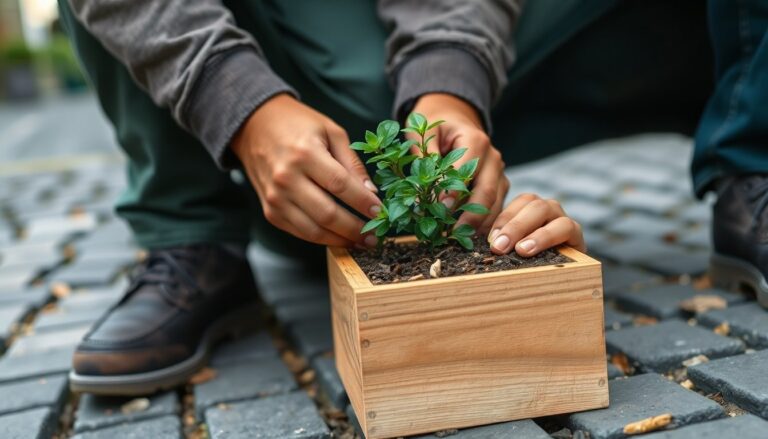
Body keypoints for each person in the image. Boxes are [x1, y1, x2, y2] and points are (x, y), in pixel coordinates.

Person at [58, 0, 767, 395]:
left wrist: (449, 86)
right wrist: (239, 104)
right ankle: (190, 231)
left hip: (418, 63)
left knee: (380, 114)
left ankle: (748, 166)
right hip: (275, 84)